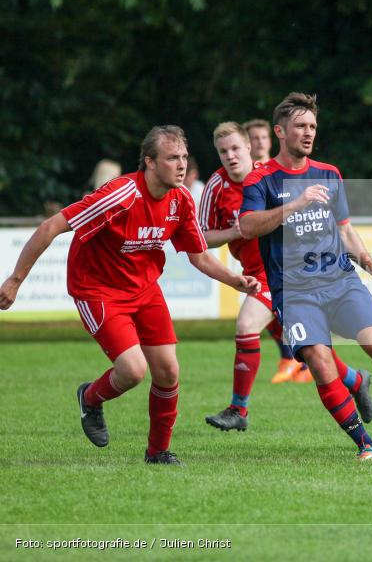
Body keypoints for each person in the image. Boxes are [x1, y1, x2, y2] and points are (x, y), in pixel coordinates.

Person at [0, 126, 260, 465]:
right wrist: (15, 281)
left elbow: (199, 256)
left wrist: (234, 280)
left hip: (144, 289)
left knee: (168, 371)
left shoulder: (180, 200)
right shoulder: (120, 194)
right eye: (172, 158)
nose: (181, 165)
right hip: (97, 290)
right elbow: (52, 227)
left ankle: (158, 453)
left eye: (183, 157)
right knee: (134, 371)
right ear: (150, 162)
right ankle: (91, 398)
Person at [239, 92, 372, 460]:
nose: (308, 133)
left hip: (339, 281)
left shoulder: (329, 174)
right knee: (320, 362)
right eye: (300, 126)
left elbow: (345, 231)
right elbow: (247, 227)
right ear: (280, 131)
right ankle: (365, 444)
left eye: (312, 126)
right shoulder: (260, 179)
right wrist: (294, 204)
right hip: (294, 292)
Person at [199, 122, 372, 431]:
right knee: (311, 351)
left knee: (246, 326)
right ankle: (356, 379)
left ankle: (238, 409)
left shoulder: (269, 176)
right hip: (253, 273)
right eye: (223, 151)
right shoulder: (216, 185)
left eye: (236, 148)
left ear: (250, 148)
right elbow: (201, 238)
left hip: (282, 272)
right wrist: (232, 231)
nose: (230, 156)